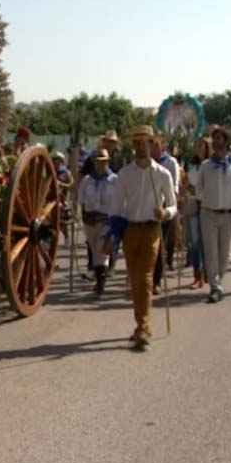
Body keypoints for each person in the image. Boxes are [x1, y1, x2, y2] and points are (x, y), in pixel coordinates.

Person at [105, 125, 177, 349]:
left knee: (145, 278)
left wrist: (165, 213)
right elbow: (116, 209)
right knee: (135, 279)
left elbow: (174, 205)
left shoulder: (162, 174)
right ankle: (140, 324)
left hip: (151, 229)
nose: (139, 146)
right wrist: (111, 237)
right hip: (130, 230)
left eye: (143, 142)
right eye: (135, 143)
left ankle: (144, 326)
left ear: (152, 143)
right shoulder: (124, 175)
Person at [196, 126, 231, 303]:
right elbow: (198, 191)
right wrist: (191, 189)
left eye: (219, 139)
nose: (215, 142)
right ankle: (215, 286)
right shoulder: (206, 166)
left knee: (225, 254)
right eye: (214, 139)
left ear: (226, 142)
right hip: (208, 213)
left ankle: (218, 278)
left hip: (228, 214)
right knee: (211, 253)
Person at [79, 149, 117, 295]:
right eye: (97, 161)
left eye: (103, 161)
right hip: (90, 220)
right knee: (94, 250)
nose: (99, 164)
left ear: (107, 162)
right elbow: (81, 200)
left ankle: (100, 282)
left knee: (102, 251)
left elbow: (120, 202)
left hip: (106, 220)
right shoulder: (87, 181)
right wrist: (82, 215)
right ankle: (99, 275)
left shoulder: (115, 180)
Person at [151, 132, 180, 294]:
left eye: (157, 145)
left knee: (161, 245)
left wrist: (169, 208)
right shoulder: (144, 163)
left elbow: (174, 187)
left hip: (164, 209)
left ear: (163, 146)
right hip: (148, 210)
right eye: (152, 145)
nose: (154, 148)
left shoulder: (170, 163)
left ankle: (156, 280)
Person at [182, 137, 209, 290]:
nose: (198, 148)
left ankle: (207, 271)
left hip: (207, 206)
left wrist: (194, 189)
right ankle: (197, 276)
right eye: (196, 145)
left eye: (201, 146)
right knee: (195, 243)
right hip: (194, 207)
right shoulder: (193, 167)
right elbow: (188, 186)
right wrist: (185, 186)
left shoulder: (211, 166)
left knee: (206, 243)